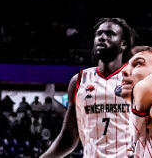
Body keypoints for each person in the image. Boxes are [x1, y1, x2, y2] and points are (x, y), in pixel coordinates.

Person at [38, 19, 137, 158]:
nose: (102, 37)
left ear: (123, 44)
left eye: (110, 34)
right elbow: (68, 137)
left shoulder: (137, 79)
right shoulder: (78, 81)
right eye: (99, 34)